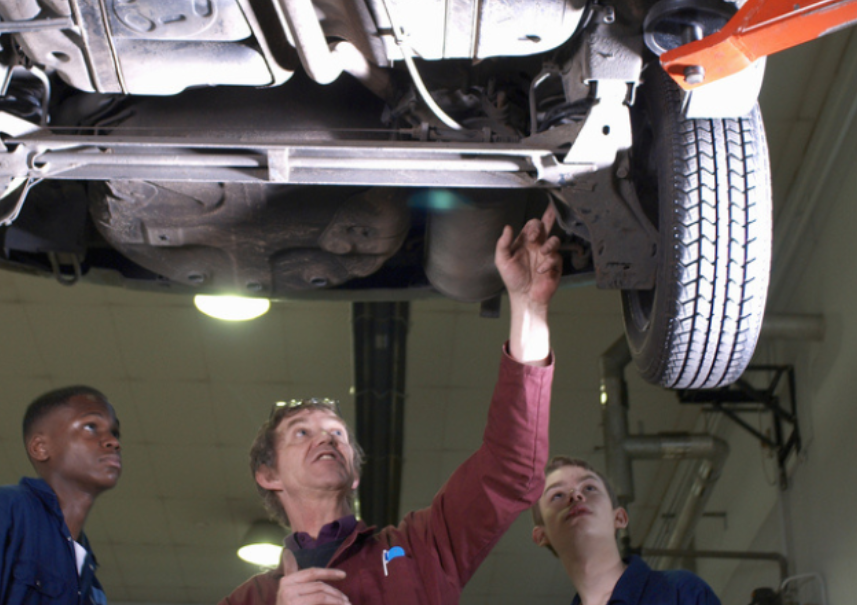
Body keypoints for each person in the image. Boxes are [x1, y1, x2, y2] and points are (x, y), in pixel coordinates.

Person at [221, 207, 562, 605]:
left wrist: (529, 308)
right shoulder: (251, 600)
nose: (326, 439)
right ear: (268, 475)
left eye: (337, 434)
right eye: (302, 432)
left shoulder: (419, 550)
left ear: (354, 476)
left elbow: (510, 469)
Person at [0, 386, 122, 605]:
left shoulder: (90, 578)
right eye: (91, 427)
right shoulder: (0, 509)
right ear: (40, 447)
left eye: (114, 432)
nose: (113, 442)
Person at [530, 456, 720, 605]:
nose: (576, 496)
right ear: (541, 535)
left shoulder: (680, 591)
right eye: (557, 495)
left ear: (619, 518)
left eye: (589, 487)